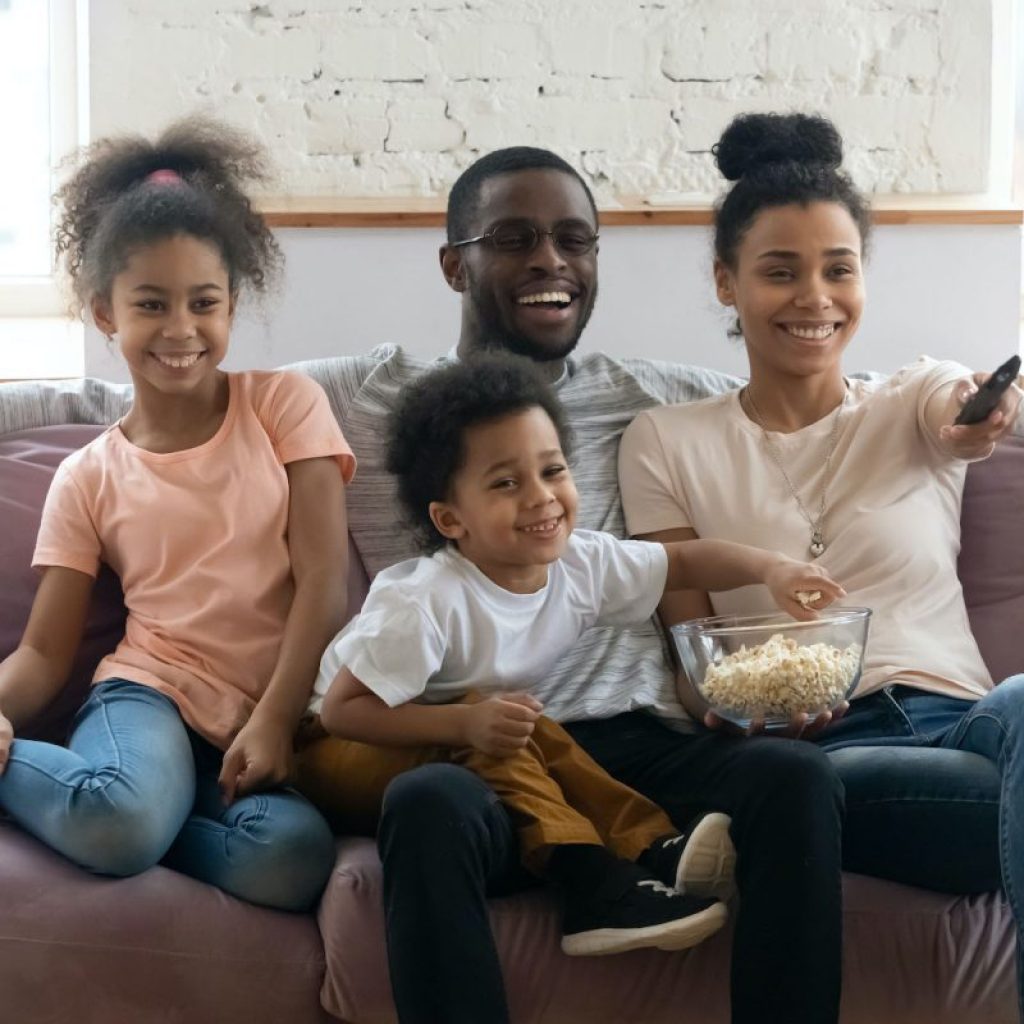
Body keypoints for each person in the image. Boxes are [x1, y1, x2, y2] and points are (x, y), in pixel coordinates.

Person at [1, 146, 846, 1024]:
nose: (550, 262)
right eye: (514, 238)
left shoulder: (650, 394)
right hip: (449, 742)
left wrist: (942, 409)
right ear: (454, 263)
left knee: (793, 778)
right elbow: (140, 398)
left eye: (574, 240)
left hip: (630, 733)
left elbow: (826, 390)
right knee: (427, 798)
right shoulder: (359, 393)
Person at [617, 112, 1024, 1016]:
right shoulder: (665, 443)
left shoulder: (913, 395)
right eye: (780, 270)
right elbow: (693, 667)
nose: (816, 297)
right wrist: (750, 712)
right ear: (726, 283)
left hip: (970, 721)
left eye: (840, 268)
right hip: (829, 757)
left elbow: (963, 414)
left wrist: (983, 415)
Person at [315, 352, 845, 956]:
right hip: (342, 749)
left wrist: (774, 569)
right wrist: (464, 721)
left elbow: (686, 562)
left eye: (552, 470)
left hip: (438, 734)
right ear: (449, 519)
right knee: (494, 728)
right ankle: (590, 883)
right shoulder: (424, 602)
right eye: (506, 483)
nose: (542, 498)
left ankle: (655, 846)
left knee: (533, 728)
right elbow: (341, 712)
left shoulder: (580, 563)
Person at [0, 118, 355, 912]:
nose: (181, 330)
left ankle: (141, 818)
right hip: (149, 695)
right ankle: (119, 810)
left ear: (234, 301)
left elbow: (324, 582)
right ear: (104, 313)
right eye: (150, 305)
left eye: (204, 303)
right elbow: (44, 655)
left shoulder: (285, 406)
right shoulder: (88, 475)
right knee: (120, 818)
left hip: (261, 712)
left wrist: (272, 719)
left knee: (292, 861)